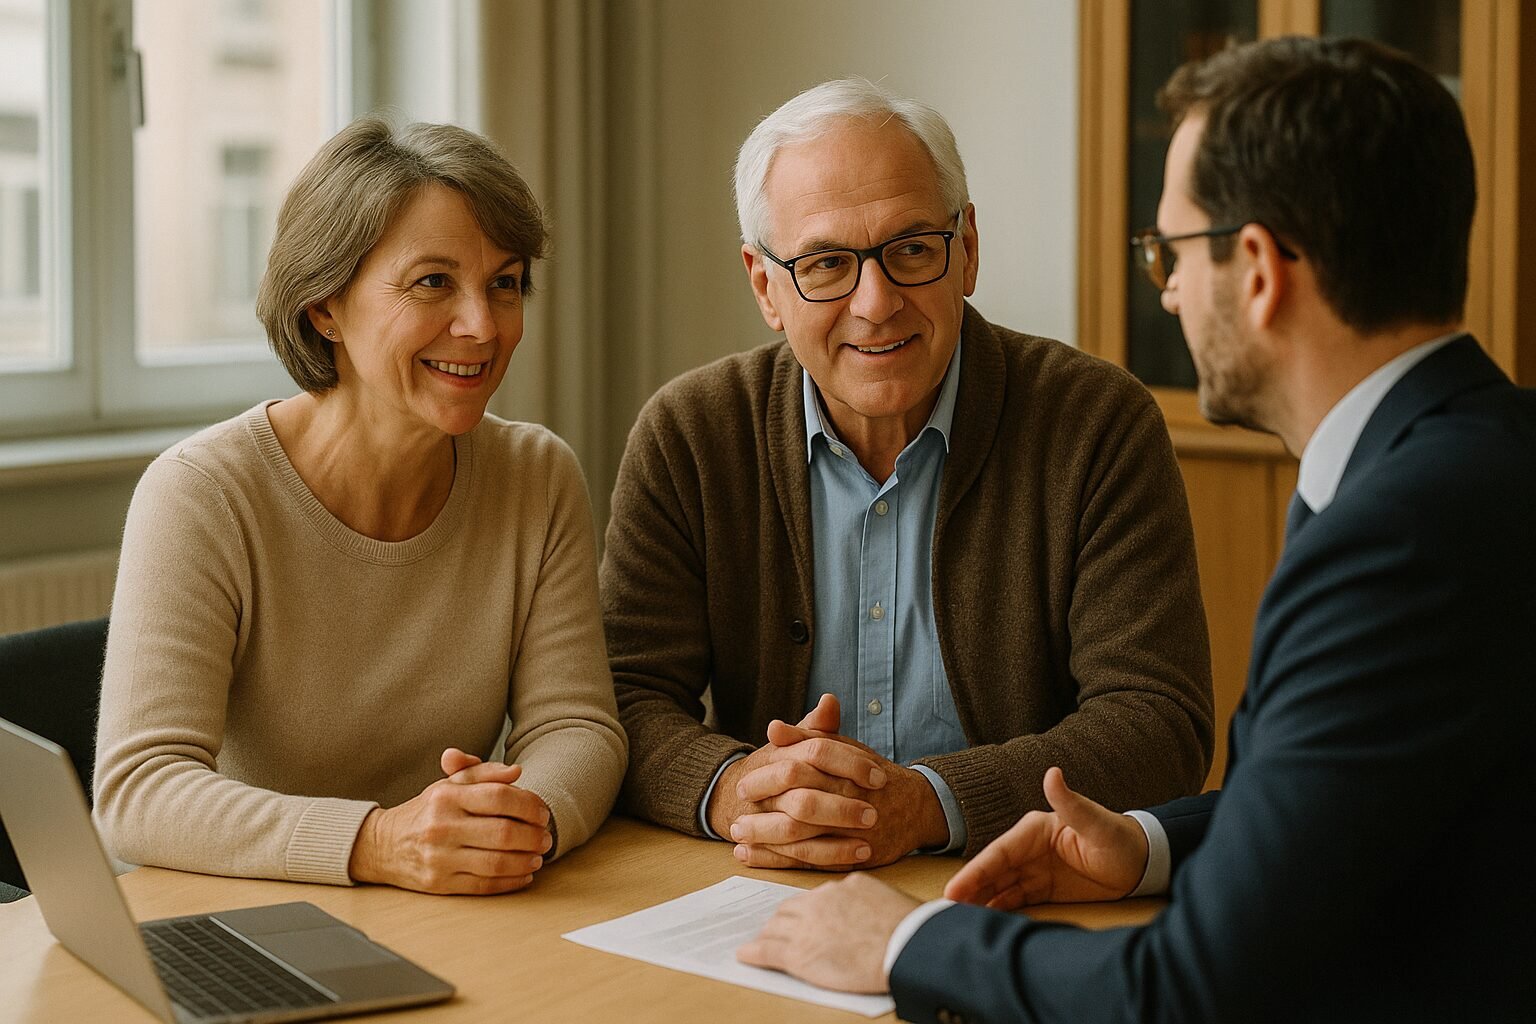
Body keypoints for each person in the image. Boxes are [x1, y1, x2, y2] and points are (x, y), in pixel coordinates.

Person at [739, 36, 1536, 1022]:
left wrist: (906, 940)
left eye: (1169, 251)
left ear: (1254, 270)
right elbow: (1340, 804)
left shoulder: (1397, 538)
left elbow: (1193, 991)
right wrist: (1147, 844)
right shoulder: (1477, 463)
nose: (1163, 289)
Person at [602, 78, 1214, 870]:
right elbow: (625, 698)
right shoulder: (690, 434)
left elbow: (1159, 722)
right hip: (763, 888)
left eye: (912, 250)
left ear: (968, 251)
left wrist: (928, 803)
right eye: (826, 264)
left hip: (1020, 887)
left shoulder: (1097, 423)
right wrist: (733, 787)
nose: (876, 301)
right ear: (766, 287)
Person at [93, 118, 628, 896]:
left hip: (442, 910)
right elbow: (139, 791)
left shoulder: (536, 476)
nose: (482, 325)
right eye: (433, 282)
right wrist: (379, 843)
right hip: (232, 915)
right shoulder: (202, 493)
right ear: (325, 308)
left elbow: (576, 726)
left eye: (504, 283)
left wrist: (517, 822)